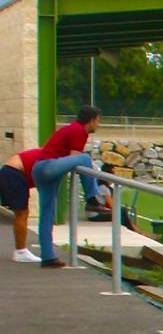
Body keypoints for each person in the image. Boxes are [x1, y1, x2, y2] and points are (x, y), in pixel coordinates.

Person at [29, 104, 105, 268]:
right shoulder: (78, 130)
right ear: (91, 120)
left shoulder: (72, 128)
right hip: (48, 167)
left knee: (47, 215)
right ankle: (92, 198)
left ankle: (48, 257)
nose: (99, 125)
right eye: (98, 121)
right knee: (85, 159)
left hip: (39, 168)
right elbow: (76, 159)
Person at [0, 147, 41, 261]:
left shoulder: (48, 153)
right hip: (14, 173)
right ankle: (20, 251)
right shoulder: (52, 157)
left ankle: (20, 251)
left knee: (22, 213)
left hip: (11, 172)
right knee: (22, 213)